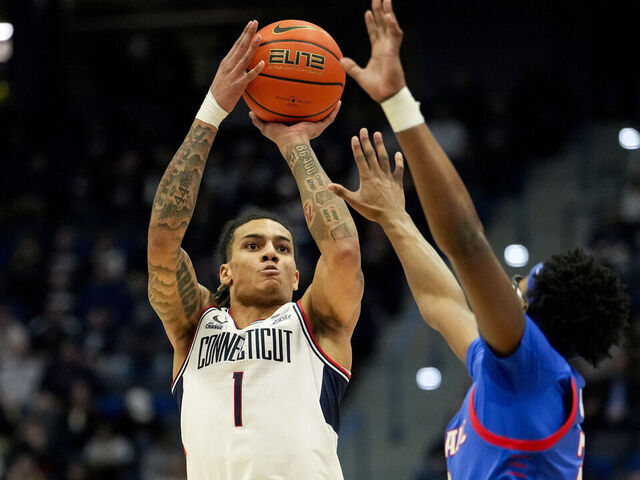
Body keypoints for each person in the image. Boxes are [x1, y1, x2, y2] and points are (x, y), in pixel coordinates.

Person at [328, 0, 631, 478]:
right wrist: (395, 219)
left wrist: (400, 104)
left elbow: (467, 241)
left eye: (522, 283)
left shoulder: (526, 366)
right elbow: (439, 300)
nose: (510, 283)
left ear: (531, 311)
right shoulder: (520, 374)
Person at [147, 21, 363, 479]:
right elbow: (163, 243)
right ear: (223, 272)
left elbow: (343, 251)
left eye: (284, 249)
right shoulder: (194, 325)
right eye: (254, 245)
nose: (272, 254)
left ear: (297, 276)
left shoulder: (317, 325)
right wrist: (211, 111)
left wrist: (296, 145)